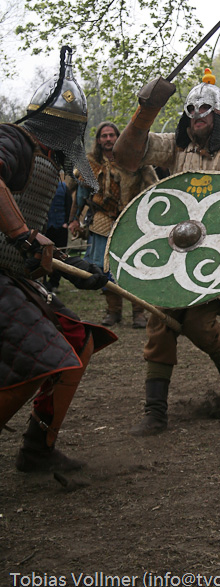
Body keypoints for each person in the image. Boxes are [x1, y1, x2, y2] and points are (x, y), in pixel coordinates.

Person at [113, 67, 220, 436]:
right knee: (159, 321)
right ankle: (155, 412)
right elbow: (126, 155)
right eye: (191, 111)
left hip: (216, 255)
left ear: (219, 116)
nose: (197, 117)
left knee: (197, 324)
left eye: (205, 111)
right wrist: (145, 112)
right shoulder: (176, 149)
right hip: (174, 253)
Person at [0, 50, 117, 473]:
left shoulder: (48, 160)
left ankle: (37, 451)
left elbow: (31, 248)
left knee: (77, 341)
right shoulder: (13, 139)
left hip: (14, 276)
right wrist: (23, 234)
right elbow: (20, 233)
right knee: (37, 361)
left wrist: (71, 268)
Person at [68, 121, 158, 328]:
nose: (108, 139)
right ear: (99, 140)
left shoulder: (134, 160)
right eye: (104, 136)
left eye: (112, 135)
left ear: (118, 138)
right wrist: (74, 219)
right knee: (105, 268)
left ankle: (138, 313)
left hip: (131, 221)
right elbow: (80, 195)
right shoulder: (90, 164)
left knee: (135, 266)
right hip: (101, 221)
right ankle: (113, 311)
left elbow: (152, 187)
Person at [44, 171, 73, 292]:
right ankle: (44, 282)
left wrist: (66, 222)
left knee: (60, 255)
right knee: (44, 255)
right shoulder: (43, 186)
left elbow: (69, 205)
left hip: (61, 227)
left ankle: (54, 283)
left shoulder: (63, 187)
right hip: (46, 227)